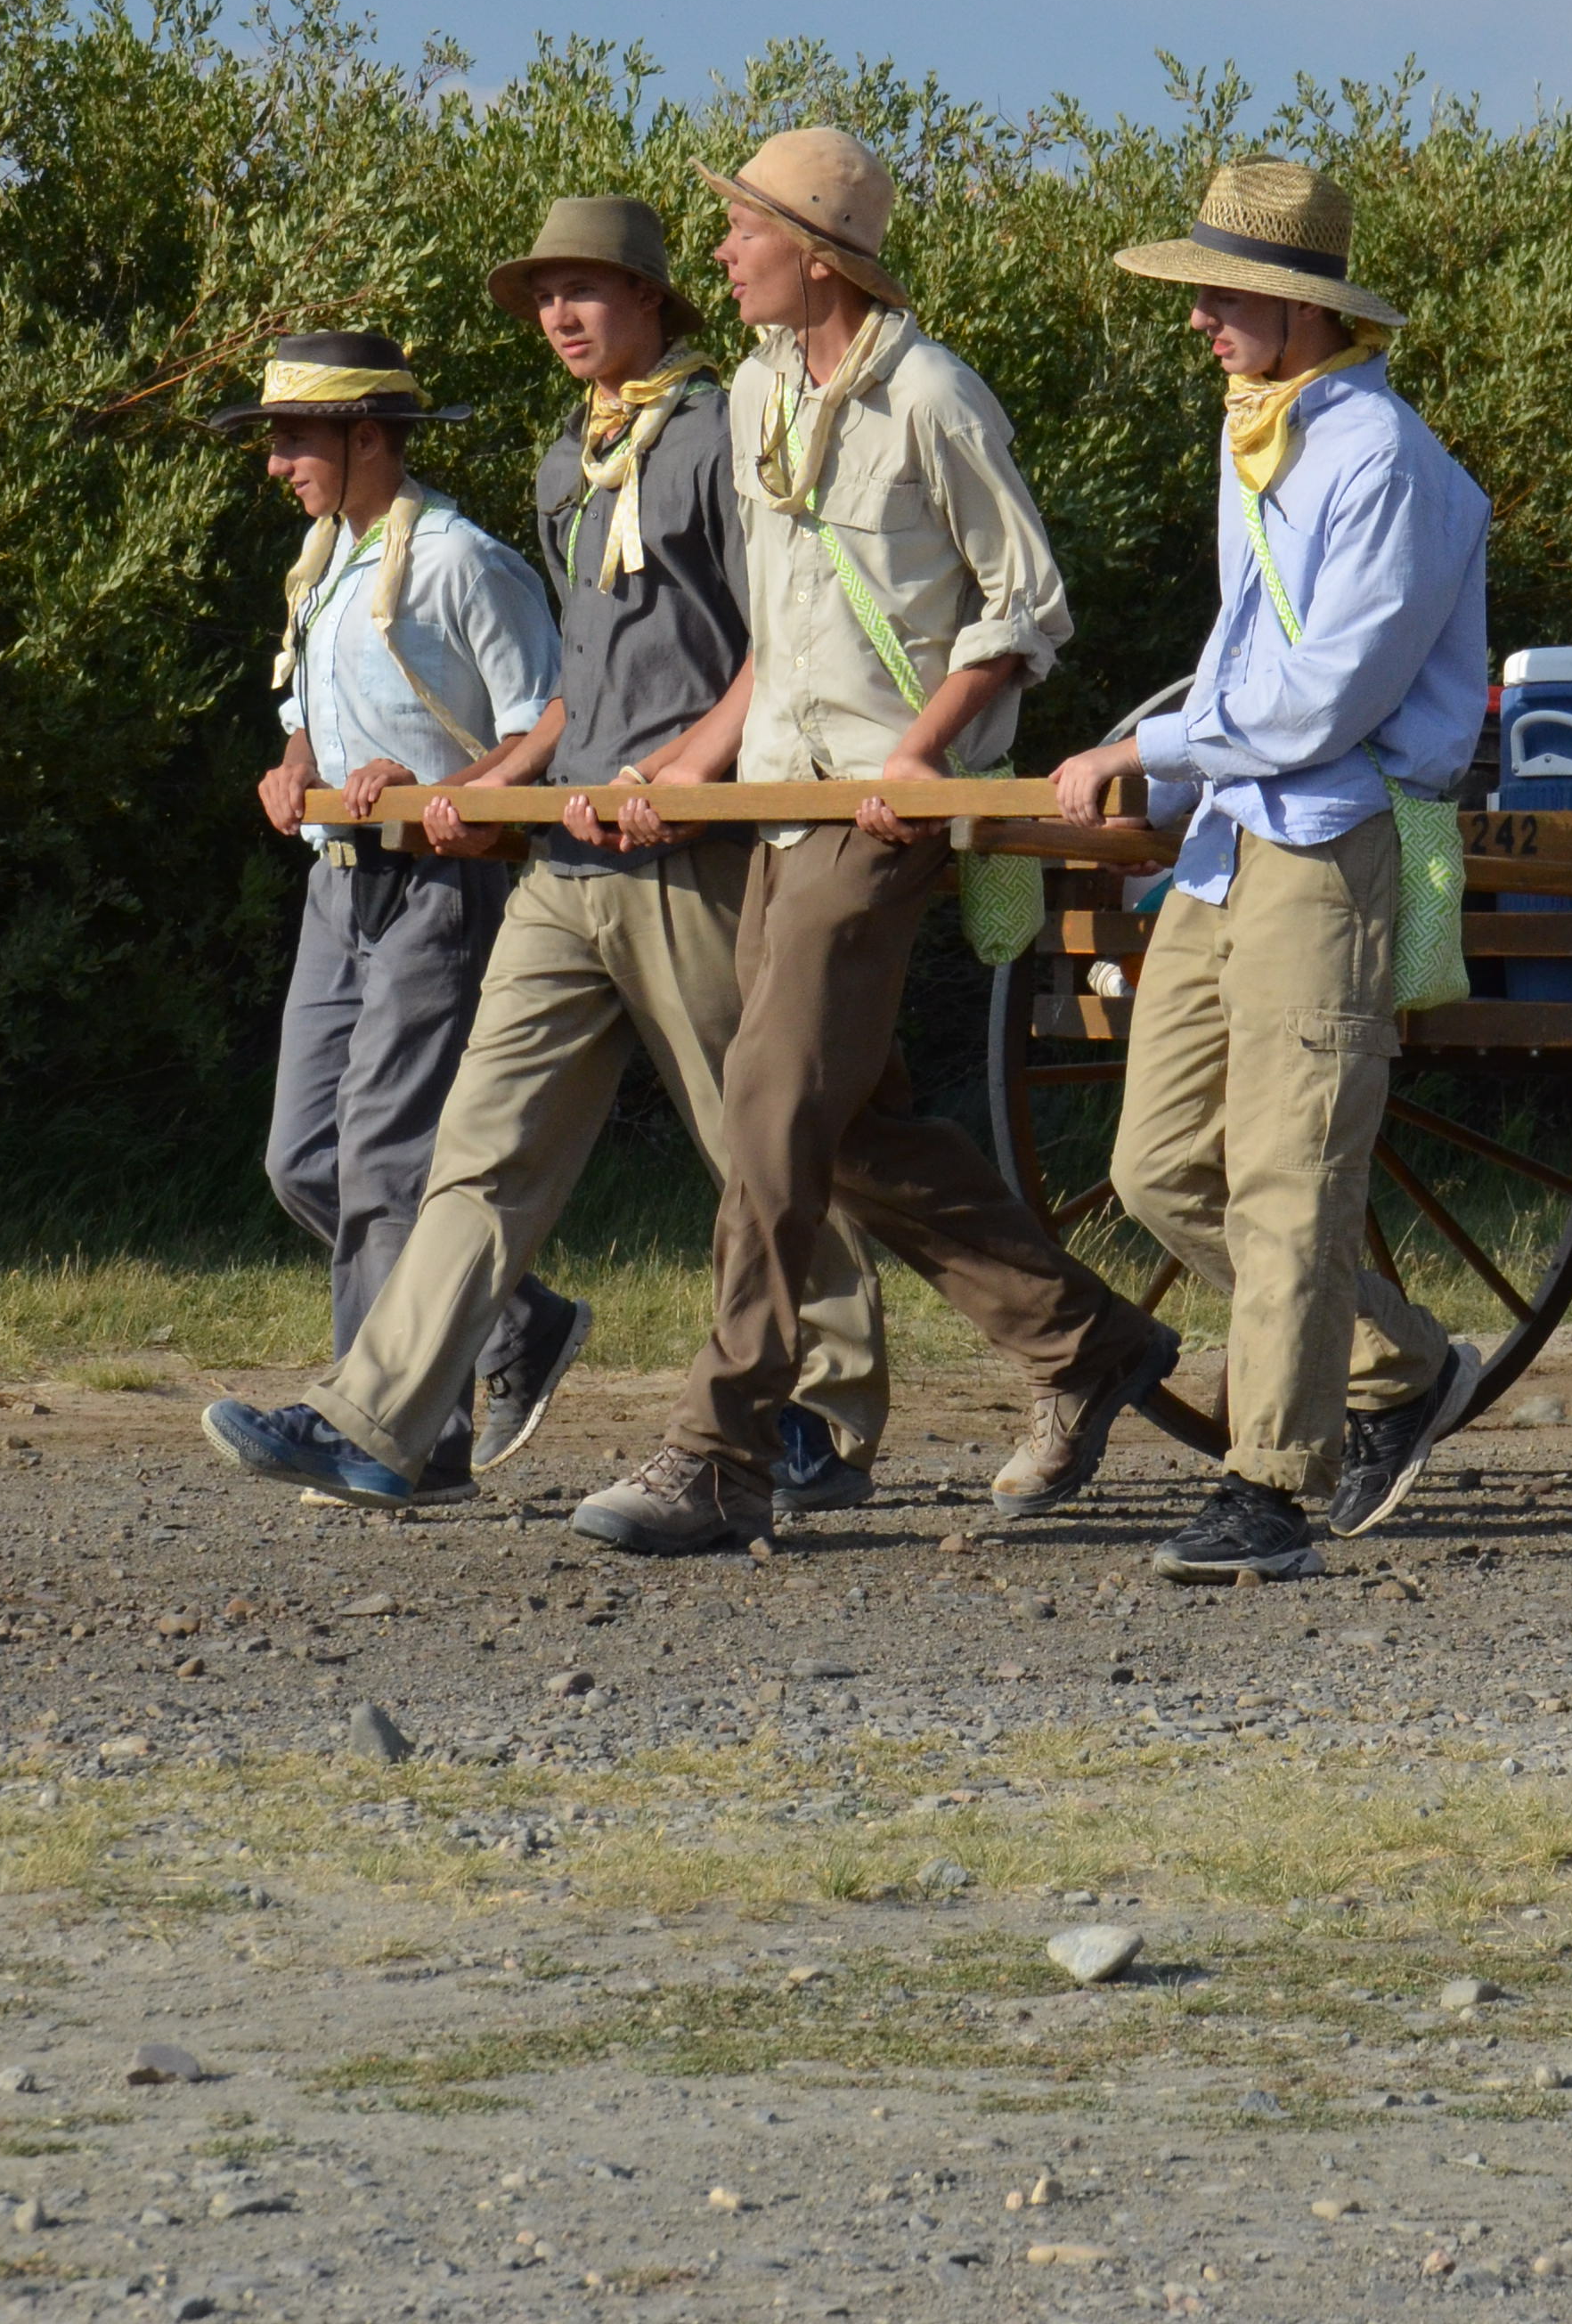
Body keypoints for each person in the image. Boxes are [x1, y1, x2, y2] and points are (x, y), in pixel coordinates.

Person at [196, 202, 893, 1518]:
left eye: (588, 291)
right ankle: (385, 1420)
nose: (562, 318)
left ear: (652, 299)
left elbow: (782, 641)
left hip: (690, 842)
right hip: (571, 848)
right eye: (545, 298)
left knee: (754, 1131)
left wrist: (682, 776)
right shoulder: (566, 461)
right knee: (476, 1145)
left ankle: (828, 1413)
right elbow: (569, 687)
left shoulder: (714, 435)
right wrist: (506, 789)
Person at [568, 129, 1185, 1557]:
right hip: (783, 800)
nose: (718, 254)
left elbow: (1027, 608)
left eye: (742, 232)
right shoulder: (766, 388)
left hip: (883, 812)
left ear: (820, 254)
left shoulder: (932, 396)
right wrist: (687, 762)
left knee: (770, 1103)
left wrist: (919, 759)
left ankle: (718, 1450)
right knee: (854, 1134)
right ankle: (1083, 1345)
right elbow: (780, 645)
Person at [1046, 159, 1493, 1580]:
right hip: (1229, 842)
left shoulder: (1386, 461)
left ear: (1302, 310)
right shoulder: (1261, 438)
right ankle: (1401, 1373)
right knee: (1159, 1166)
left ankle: (1273, 1491)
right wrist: (1160, 770)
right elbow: (1253, 663)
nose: (1201, 324)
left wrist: (1149, 747)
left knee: (1289, 1176)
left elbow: (1329, 696)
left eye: (1224, 296)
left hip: (1336, 836)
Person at [207, 331, 566, 1508]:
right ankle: (510, 1319)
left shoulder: (463, 561)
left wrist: (461, 797)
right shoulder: (323, 563)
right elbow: (319, 713)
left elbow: (555, 715)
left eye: (294, 437)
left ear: (369, 437)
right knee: (301, 1157)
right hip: (337, 881)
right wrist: (294, 764)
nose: (275, 465)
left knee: (383, 1165)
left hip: (436, 887)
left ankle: (397, 1440)